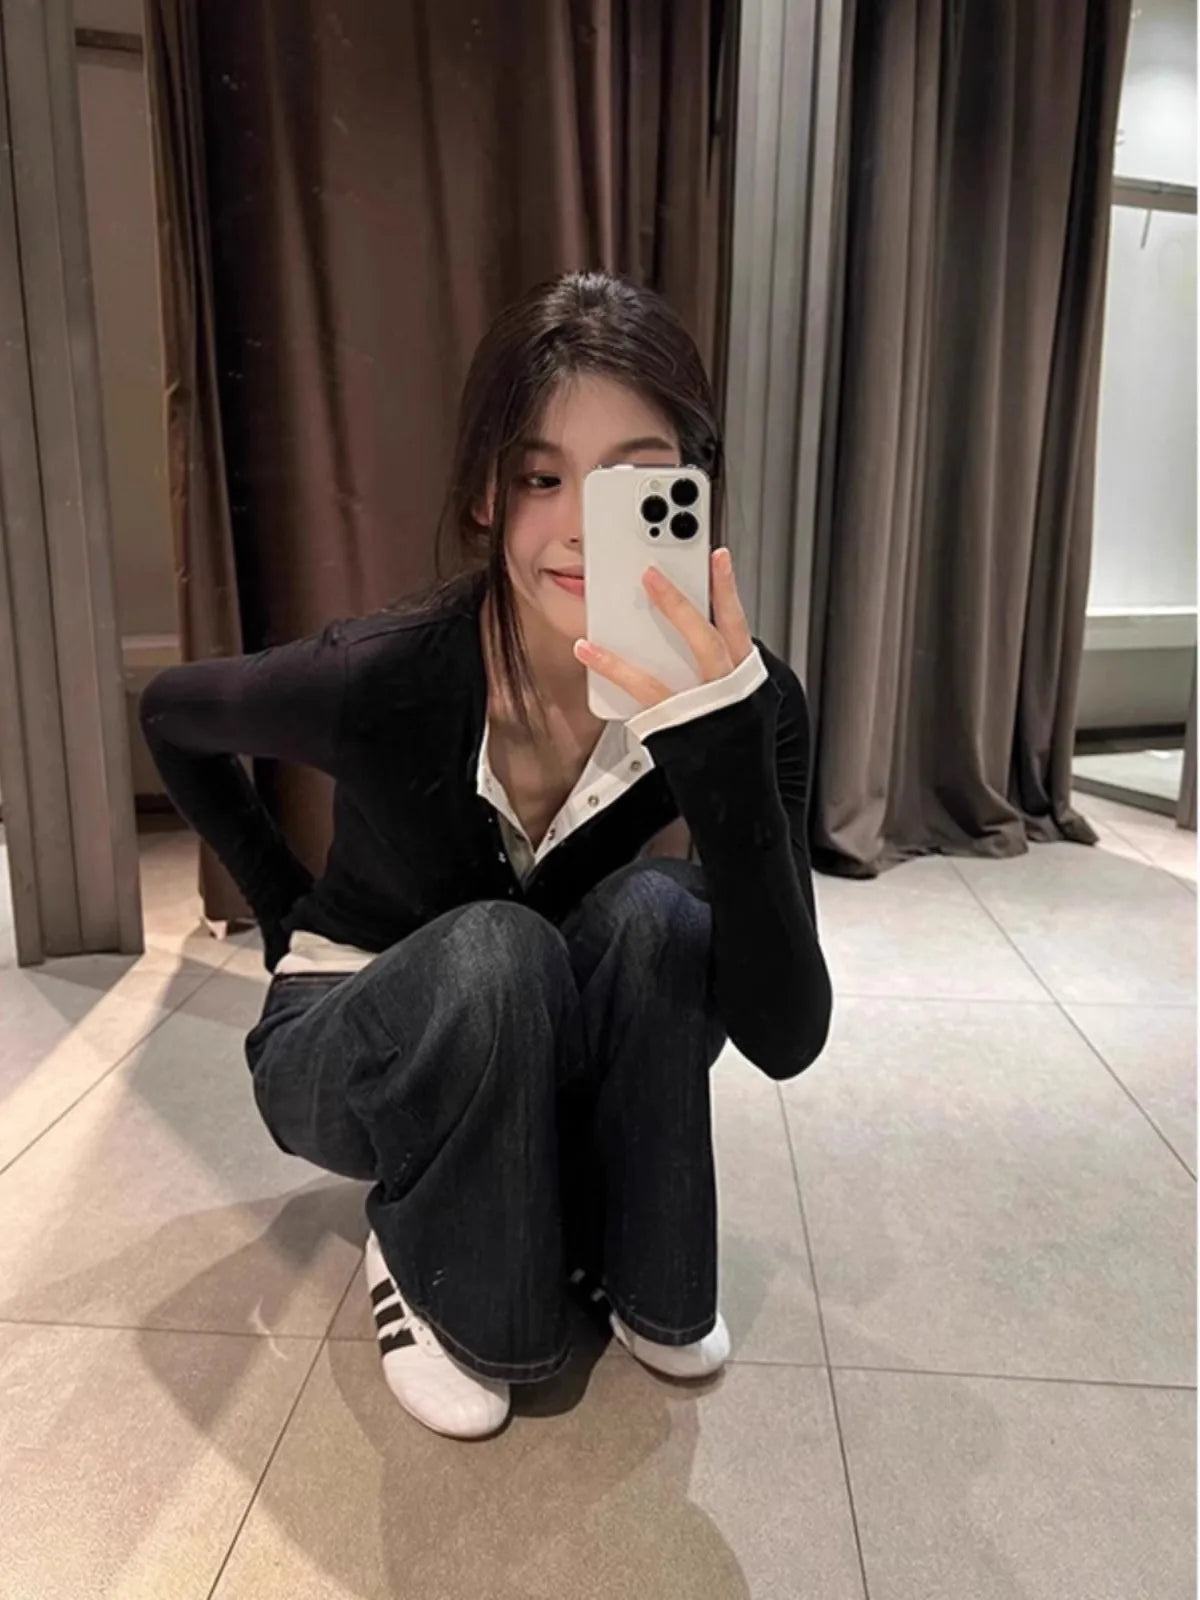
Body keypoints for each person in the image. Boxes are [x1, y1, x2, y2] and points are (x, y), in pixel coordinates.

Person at [140, 270, 832, 1441]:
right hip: (351, 1032)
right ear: (483, 494)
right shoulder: (383, 674)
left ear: (693, 488)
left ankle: (640, 1260)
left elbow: (786, 1032)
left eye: (632, 479)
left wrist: (720, 748)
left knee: (665, 914)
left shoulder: (750, 703)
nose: (581, 526)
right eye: (541, 478)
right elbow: (171, 715)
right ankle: (420, 1253)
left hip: (528, 1022)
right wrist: (283, 913)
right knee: (496, 950)